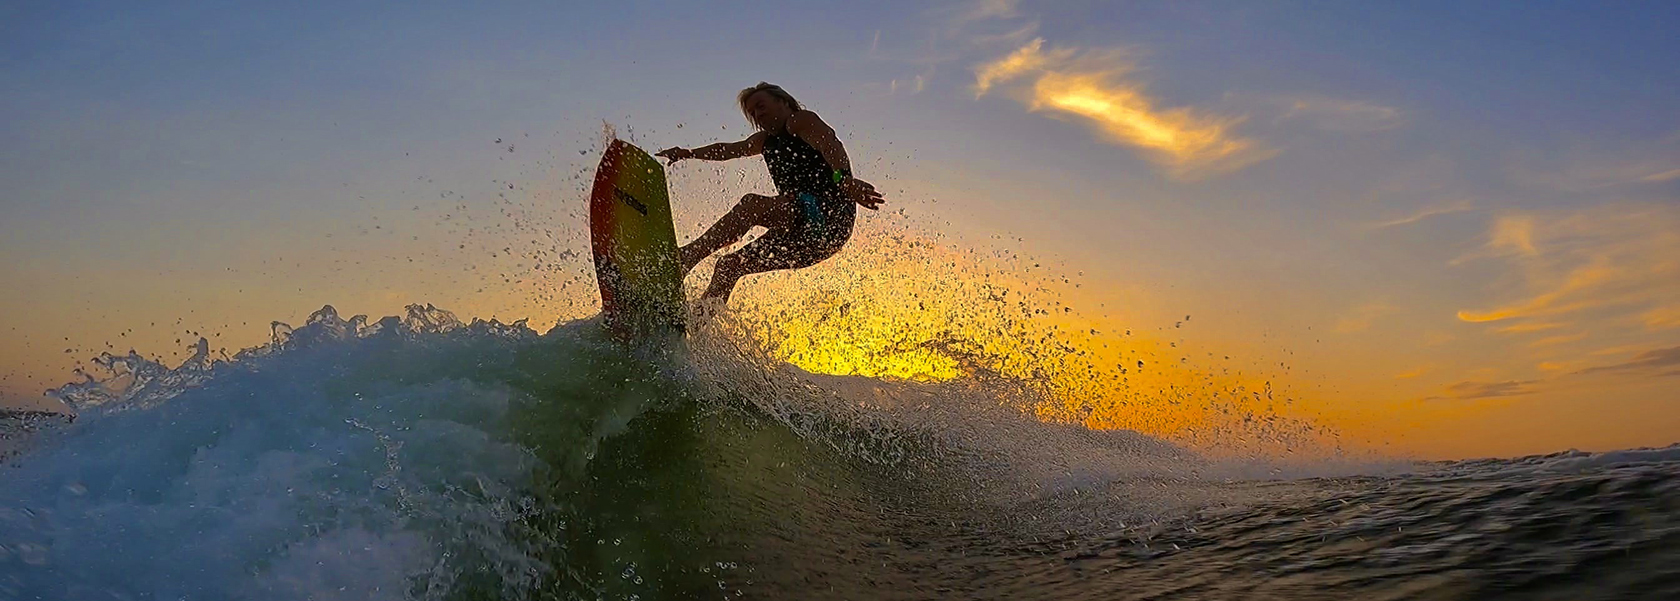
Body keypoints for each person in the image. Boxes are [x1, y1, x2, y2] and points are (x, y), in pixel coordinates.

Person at [657, 82, 885, 303]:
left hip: (826, 219)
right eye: (752, 112)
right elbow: (728, 150)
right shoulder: (765, 140)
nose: (757, 114)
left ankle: (686, 258)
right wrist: (688, 153)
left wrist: (844, 180)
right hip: (804, 239)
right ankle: (694, 327)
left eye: (761, 105)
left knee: (752, 205)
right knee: (729, 266)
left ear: (783, 102)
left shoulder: (800, 120)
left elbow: (830, 144)